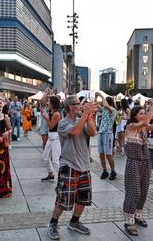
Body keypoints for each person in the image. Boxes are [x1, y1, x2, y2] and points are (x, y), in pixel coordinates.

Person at [47, 95, 95, 240]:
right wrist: (85, 115)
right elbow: (74, 131)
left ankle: (74, 222)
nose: (81, 106)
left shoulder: (82, 119)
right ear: (71, 107)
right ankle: (53, 223)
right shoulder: (63, 123)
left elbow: (92, 132)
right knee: (64, 199)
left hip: (84, 165)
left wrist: (88, 117)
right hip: (69, 165)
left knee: (83, 198)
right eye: (78, 104)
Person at [123, 99, 153, 236]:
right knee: (134, 192)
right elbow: (145, 122)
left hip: (145, 162)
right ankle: (129, 220)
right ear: (134, 116)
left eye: (145, 113)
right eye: (141, 113)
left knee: (144, 191)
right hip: (133, 162)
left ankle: (137, 215)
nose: (144, 115)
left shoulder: (143, 128)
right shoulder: (131, 127)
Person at [41, 96, 61, 182]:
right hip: (51, 137)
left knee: (56, 160)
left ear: (53, 104)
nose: (48, 103)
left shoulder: (56, 114)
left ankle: (63, 177)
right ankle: (51, 174)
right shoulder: (50, 112)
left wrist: (46, 118)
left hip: (56, 138)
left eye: (49, 102)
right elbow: (42, 101)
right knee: (45, 157)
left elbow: (51, 126)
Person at [96, 96, 117, 180]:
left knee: (108, 155)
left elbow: (108, 108)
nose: (103, 102)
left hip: (108, 133)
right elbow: (97, 105)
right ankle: (104, 170)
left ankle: (113, 171)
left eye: (105, 101)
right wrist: (97, 96)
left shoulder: (113, 110)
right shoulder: (104, 109)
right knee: (101, 154)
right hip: (101, 132)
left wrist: (105, 103)